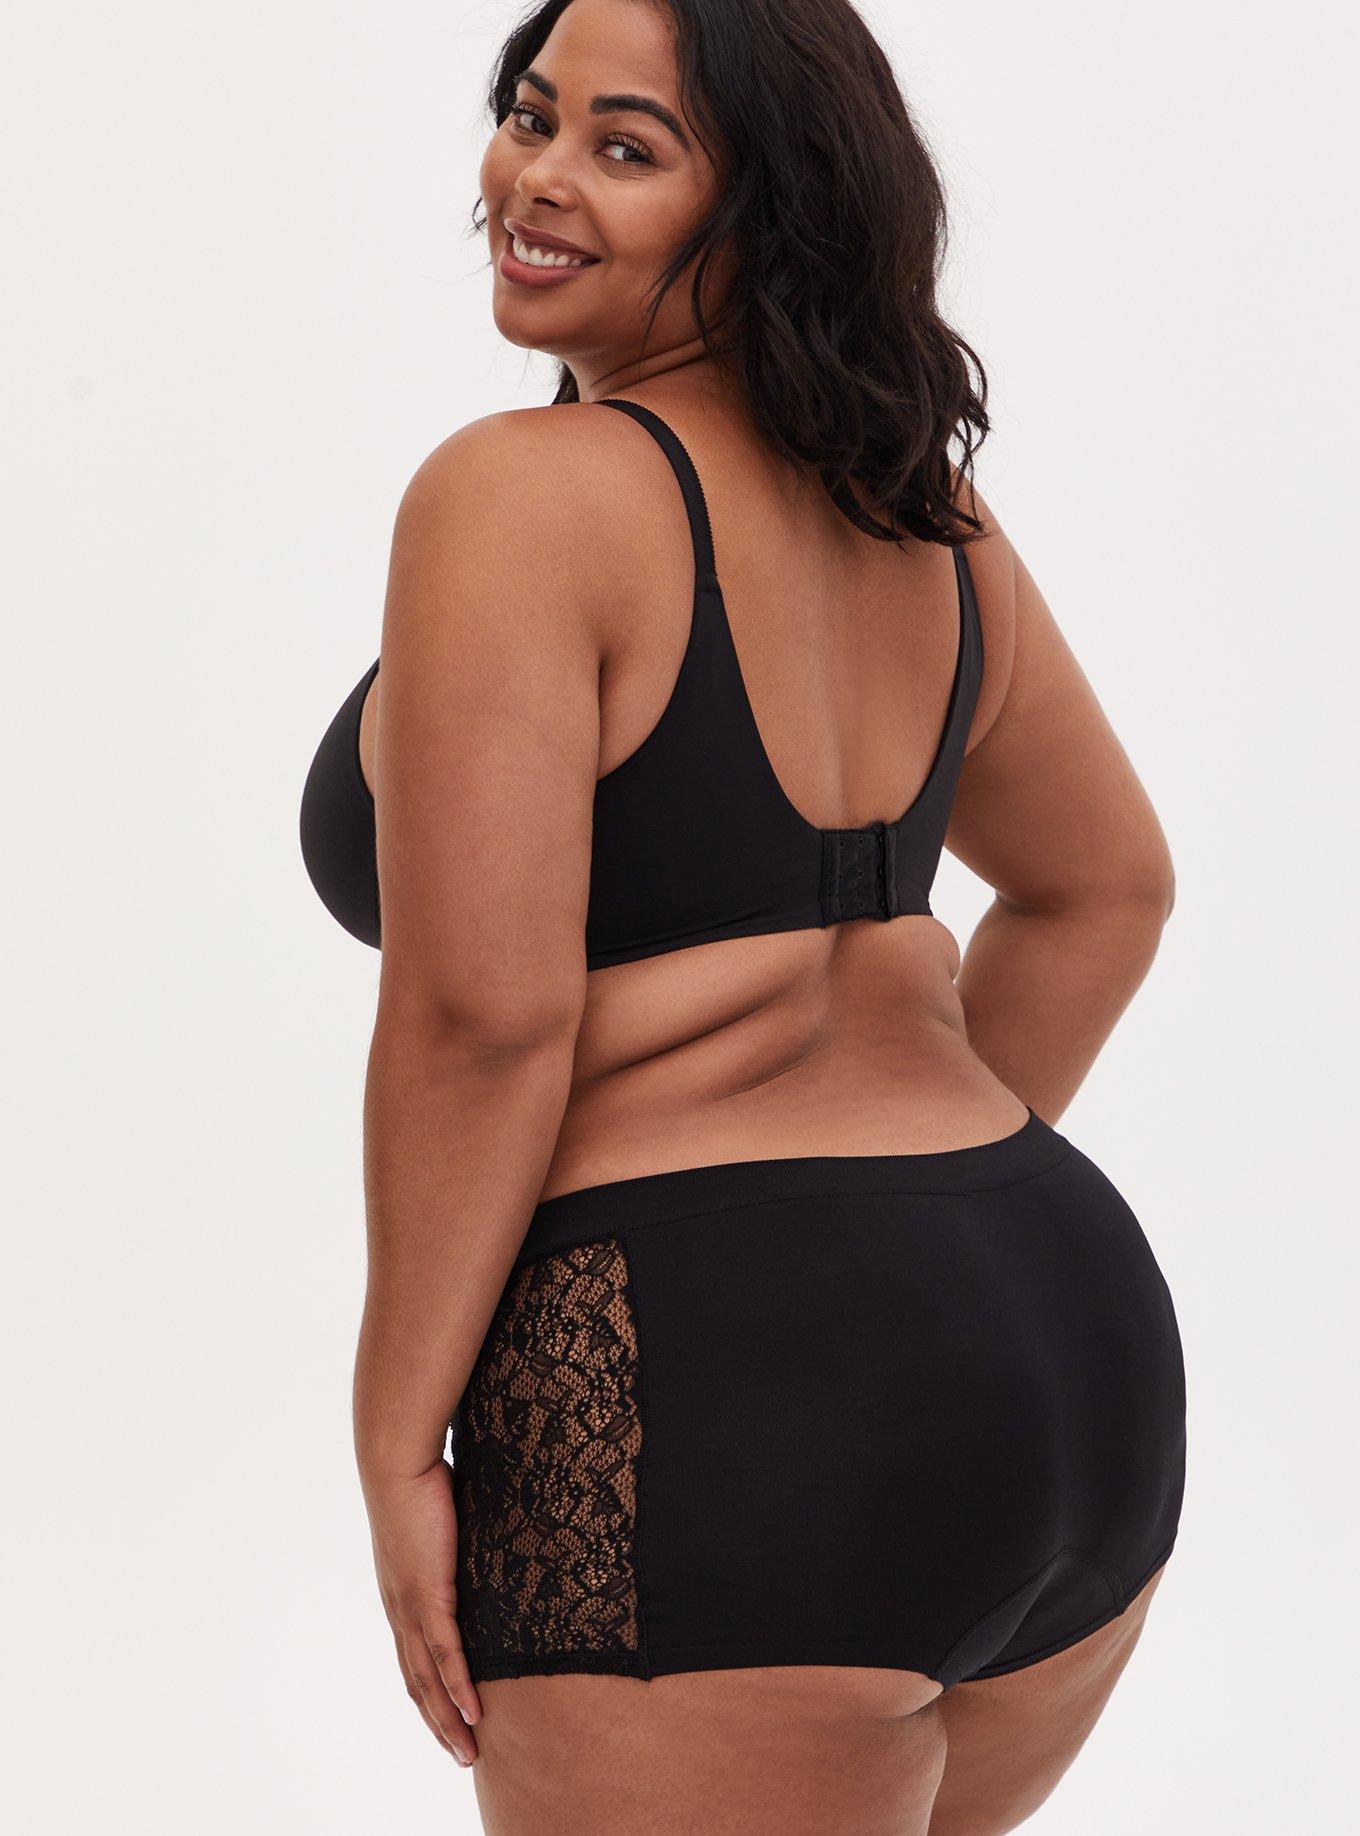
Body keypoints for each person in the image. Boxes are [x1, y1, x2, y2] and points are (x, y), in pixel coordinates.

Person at [298, 1, 1187, 1829]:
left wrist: (396, 1438)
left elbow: (486, 1021)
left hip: (709, 1398)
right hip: (1066, 1342)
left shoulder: (516, 497)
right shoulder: (924, 515)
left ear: (768, 207)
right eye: (532, 115)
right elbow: (1104, 889)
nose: (539, 178)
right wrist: (895, 1242)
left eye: (627, 148)